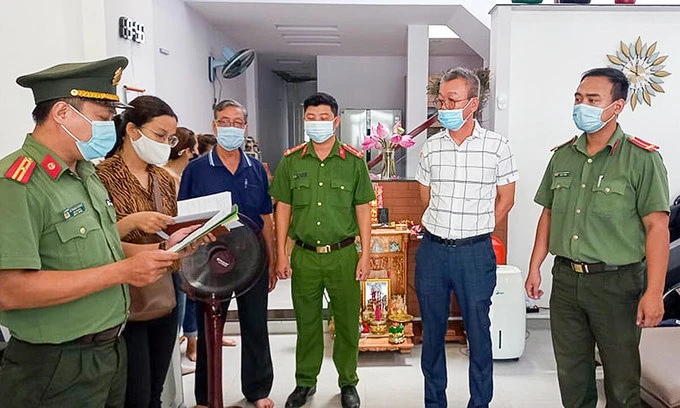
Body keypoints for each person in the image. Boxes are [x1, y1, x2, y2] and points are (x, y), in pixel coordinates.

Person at [0, 57, 198, 407]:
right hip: (55, 364)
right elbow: (10, 290)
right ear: (62, 113)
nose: (110, 128)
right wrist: (121, 272)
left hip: (108, 351)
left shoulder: (83, 175)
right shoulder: (18, 184)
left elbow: (105, 250)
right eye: (103, 119)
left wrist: (168, 249)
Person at [526, 67, 669, 408]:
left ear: (617, 106)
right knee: (573, 377)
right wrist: (535, 266)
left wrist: (654, 292)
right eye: (578, 98)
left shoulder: (642, 159)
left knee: (621, 383)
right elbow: (547, 213)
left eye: (592, 99)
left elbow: (657, 228)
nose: (582, 106)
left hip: (617, 285)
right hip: (566, 280)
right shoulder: (563, 156)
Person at [415, 67, 518, 408]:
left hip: (475, 253)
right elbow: (425, 199)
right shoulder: (431, 148)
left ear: (472, 104)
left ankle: (480, 402)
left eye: (452, 100)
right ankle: (434, 402)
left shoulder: (497, 146)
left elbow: (507, 198)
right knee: (432, 332)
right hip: (433, 252)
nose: (444, 107)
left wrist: (479, 224)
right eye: (440, 100)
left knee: (478, 330)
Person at [269, 92, 375, 408]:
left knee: (346, 323)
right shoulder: (291, 160)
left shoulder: (354, 162)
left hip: (343, 255)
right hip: (304, 256)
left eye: (324, 118)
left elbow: (363, 209)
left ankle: (348, 383)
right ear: (304, 120)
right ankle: (304, 383)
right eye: (311, 118)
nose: (317, 123)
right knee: (307, 323)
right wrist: (281, 254)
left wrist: (365, 254)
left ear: (336, 121)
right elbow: (283, 209)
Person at [179, 99, 276, 408]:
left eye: (237, 122)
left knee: (256, 326)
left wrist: (271, 260)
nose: (231, 127)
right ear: (214, 126)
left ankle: (258, 390)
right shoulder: (196, 170)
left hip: (252, 259)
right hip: (209, 262)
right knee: (209, 329)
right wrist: (187, 267)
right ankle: (206, 396)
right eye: (225, 121)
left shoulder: (256, 170)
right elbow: (183, 221)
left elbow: (266, 219)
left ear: (245, 128)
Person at [96, 95, 184, 408]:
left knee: (155, 390)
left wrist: (187, 239)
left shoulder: (163, 178)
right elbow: (96, 242)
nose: (166, 144)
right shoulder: (100, 177)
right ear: (132, 131)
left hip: (164, 290)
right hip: (123, 296)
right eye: (160, 136)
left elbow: (171, 234)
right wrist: (132, 222)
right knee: (134, 392)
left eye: (171, 138)